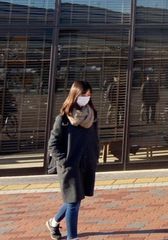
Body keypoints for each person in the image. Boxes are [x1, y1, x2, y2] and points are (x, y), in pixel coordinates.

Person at [46, 80, 99, 240]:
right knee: (73, 203)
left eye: (89, 95)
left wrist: (95, 156)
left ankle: (53, 222)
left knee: (74, 200)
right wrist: (65, 162)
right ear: (75, 95)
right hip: (70, 167)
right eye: (84, 94)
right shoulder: (63, 119)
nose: (87, 98)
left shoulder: (92, 115)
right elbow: (52, 145)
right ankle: (72, 237)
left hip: (86, 164)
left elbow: (94, 139)